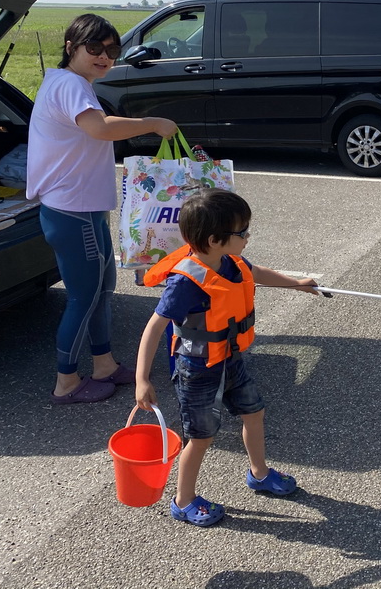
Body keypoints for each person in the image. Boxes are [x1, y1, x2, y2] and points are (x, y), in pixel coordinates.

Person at [135, 187, 321, 527]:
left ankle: (259, 473)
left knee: (255, 412)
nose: (248, 236)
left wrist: (296, 284)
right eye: (242, 231)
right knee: (201, 437)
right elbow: (154, 326)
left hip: (231, 360)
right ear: (214, 239)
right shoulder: (185, 282)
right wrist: (142, 379)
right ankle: (183, 500)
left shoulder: (231, 261)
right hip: (198, 369)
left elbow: (257, 273)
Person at [27, 14, 177, 405]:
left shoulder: (66, 84)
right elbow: (100, 128)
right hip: (73, 211)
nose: (104, 56)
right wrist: (153, 123)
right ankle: (67, 382)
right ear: (70, 47)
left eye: (112, 50)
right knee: (84, 296)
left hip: (81, 209)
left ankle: (105, 365)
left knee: (100, 291)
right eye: (94, 48)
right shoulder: (71, 84)